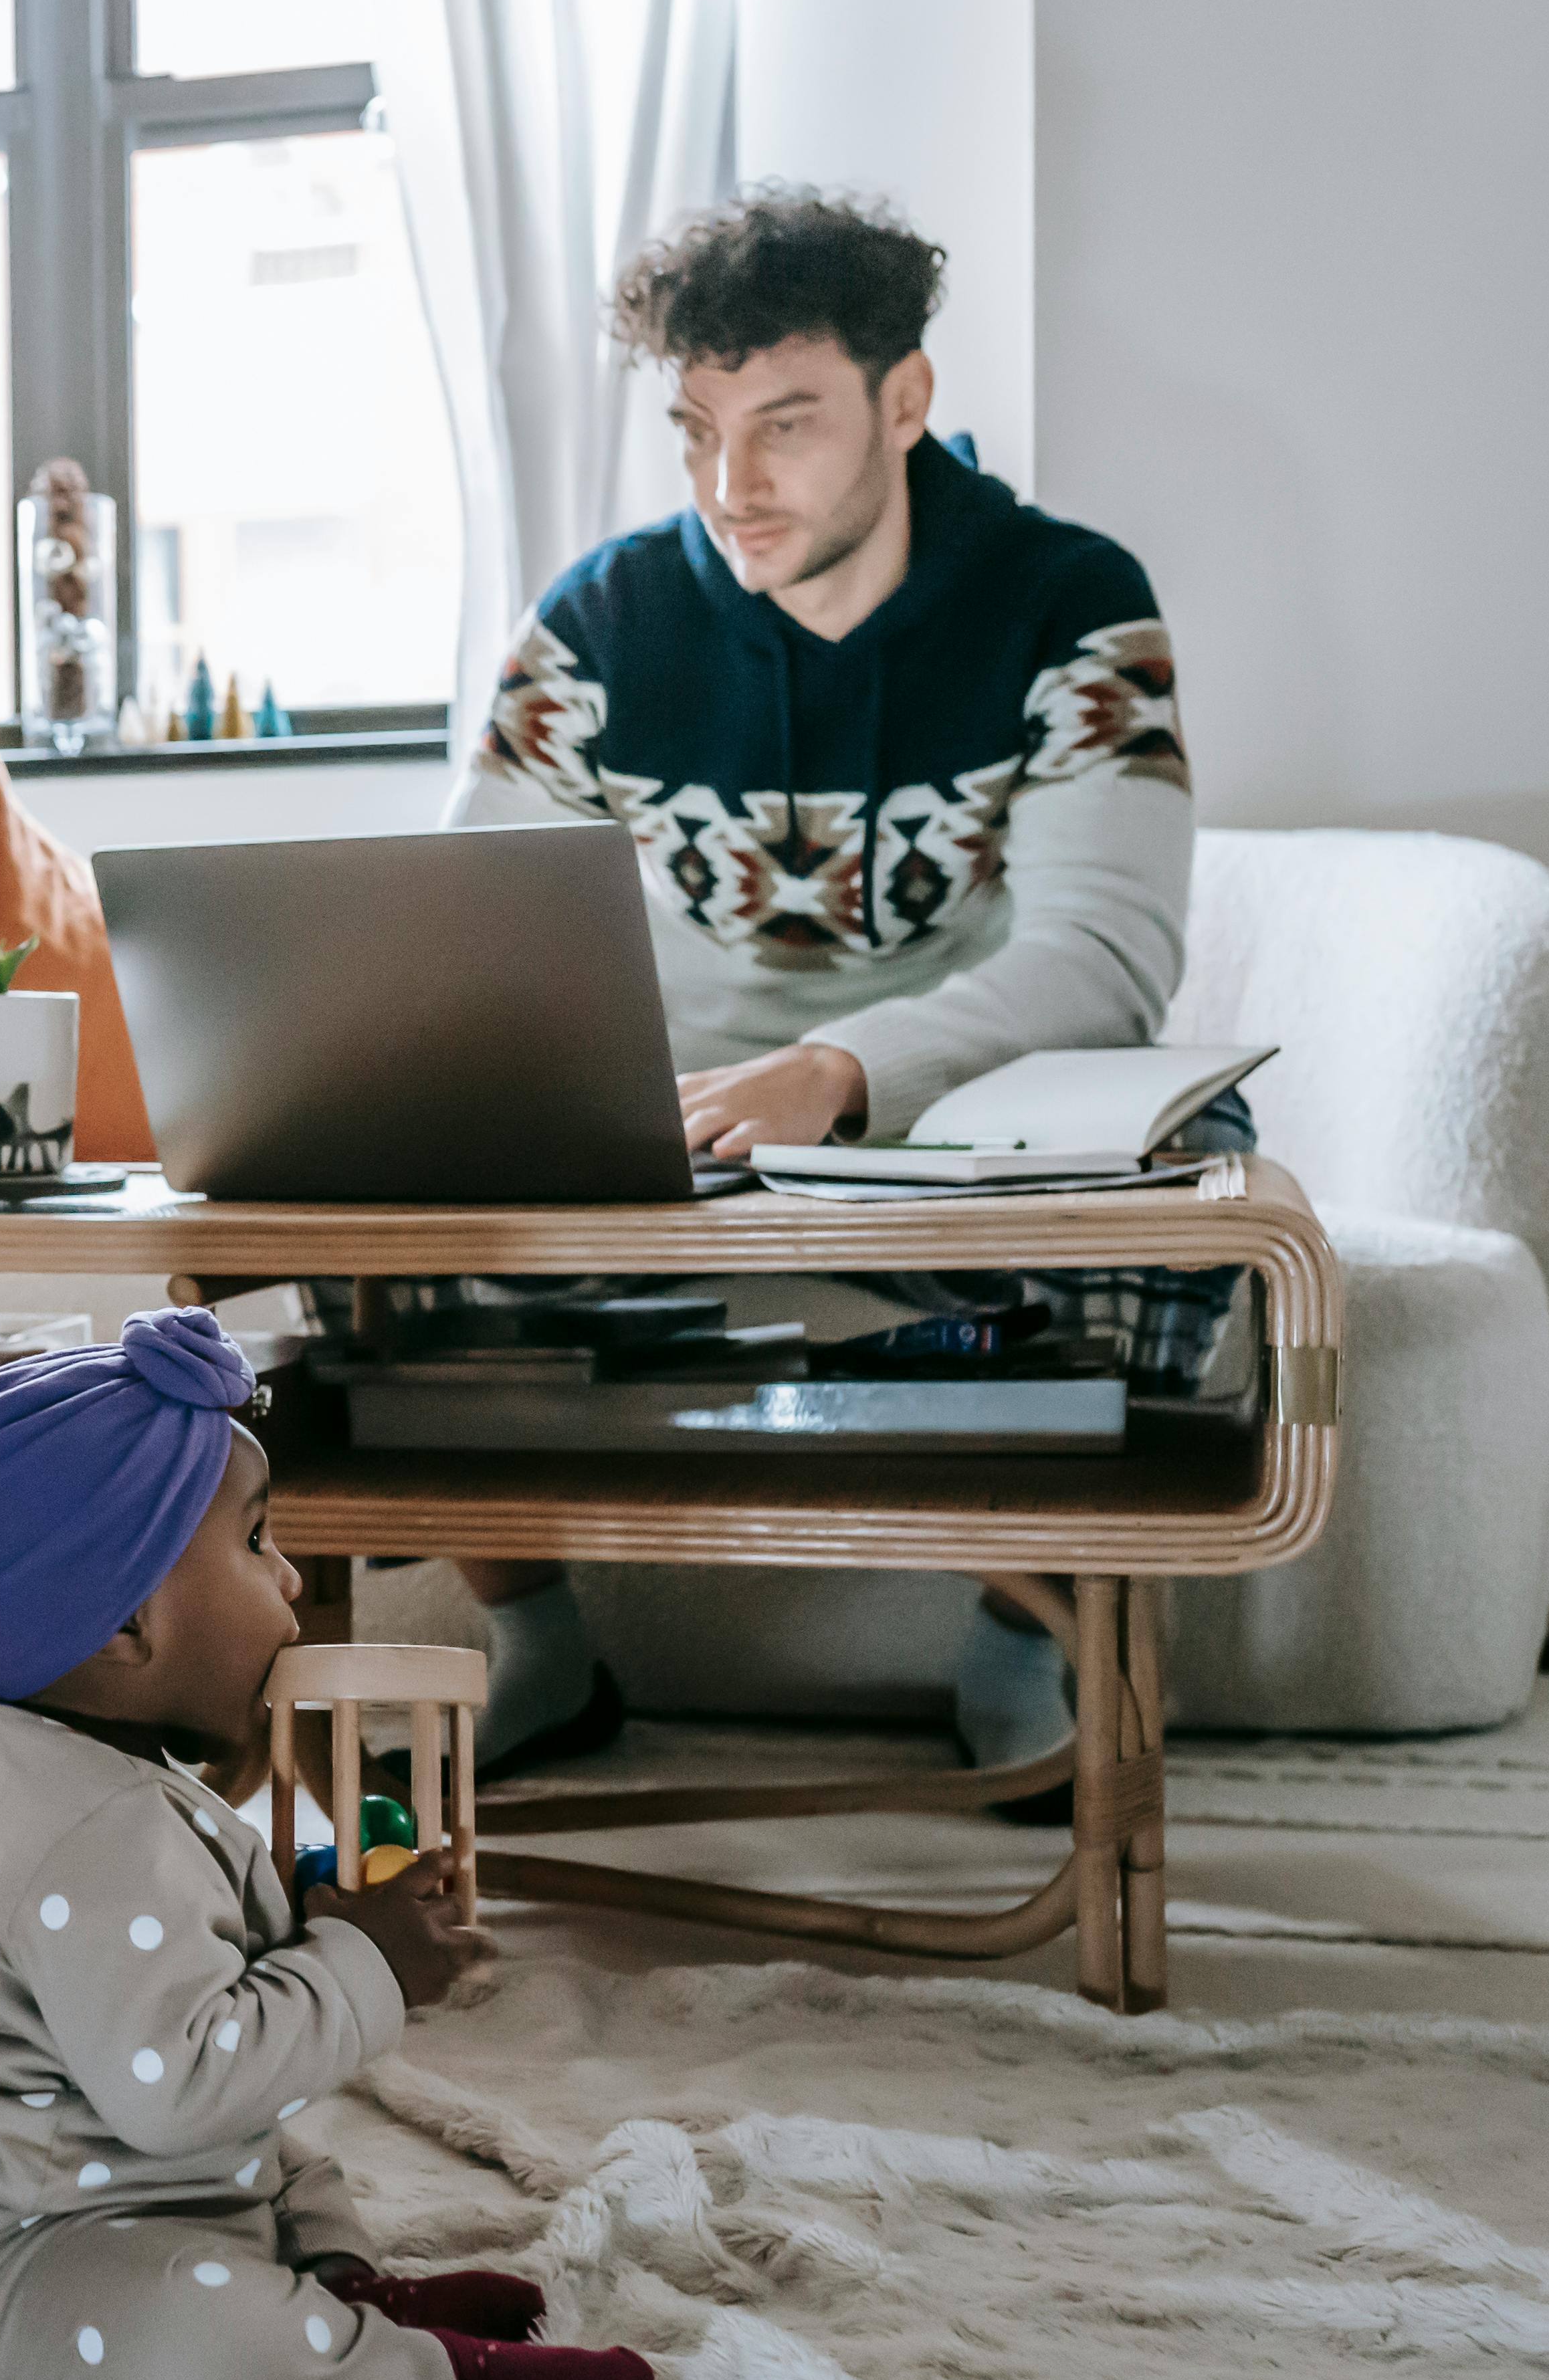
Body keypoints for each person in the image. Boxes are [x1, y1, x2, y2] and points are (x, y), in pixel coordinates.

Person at [441, 191, 1211, 1798]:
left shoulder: (1069, 602)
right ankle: (542, 1650)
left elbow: (1109, 959)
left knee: (1195, 1178)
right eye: (698, 429)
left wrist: (838, 1069)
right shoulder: (593, 627)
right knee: (352, 1232)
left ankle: (1018, 1643)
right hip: (667, 1134)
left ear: (905, 399)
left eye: (785, 423)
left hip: (960, 1127)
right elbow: (466, 937)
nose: (734, 484)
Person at [0, 1309, 658, 2380]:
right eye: (257, 1542)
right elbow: (177, 2088)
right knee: (199, 2336)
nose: (289, 1579)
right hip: (0, 2274)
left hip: (128, 2196)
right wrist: (364, 1965)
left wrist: (319, 1907)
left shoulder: (93, 1776)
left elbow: (192, 1951)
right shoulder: (87, 1831)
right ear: (127, 1621)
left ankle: (345, 2291)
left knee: (290, 2157)